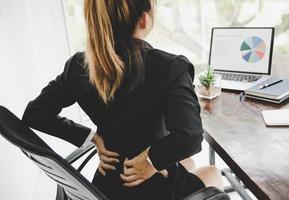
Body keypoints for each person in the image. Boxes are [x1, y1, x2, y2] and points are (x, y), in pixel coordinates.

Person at [22, 0, 223, 199]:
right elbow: (190, 136)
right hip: (147, 185)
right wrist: (151, 161)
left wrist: (91, 136)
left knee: (188, 162)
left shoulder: (79, 66)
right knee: (213, 172)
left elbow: (35, 114)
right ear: (144, 20)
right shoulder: (170, 67)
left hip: (106, 184)